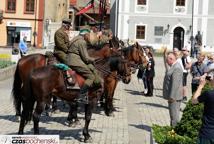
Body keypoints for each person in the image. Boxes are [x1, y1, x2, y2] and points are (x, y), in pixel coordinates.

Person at [67, 27, 101, 103]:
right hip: (75, 61)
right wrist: (94, 59)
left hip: (70, 59)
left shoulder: (75, 39)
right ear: (85, 35)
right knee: (91, 76)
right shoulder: (82, 42)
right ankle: (81, 96)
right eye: (88, 35)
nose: (88, 37)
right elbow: (85, 58)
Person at [192, 76, 214, 144]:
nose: (211, 78)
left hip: (207, 133)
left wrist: (200, 86)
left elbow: (194, 101)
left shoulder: (209, 94)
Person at [163, 52, 183, 127]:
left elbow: (175, 84)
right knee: (173, 116)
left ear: (171, 59)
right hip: (173, 97)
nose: (166, 61)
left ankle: (175, 132)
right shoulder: (173, 66)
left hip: (174, 97)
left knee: (174, 116)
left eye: (167, 59)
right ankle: (173, 130)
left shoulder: (176, 68)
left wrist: (172, 97)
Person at [53, 18, 73, 88]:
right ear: (66, 25)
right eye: (68, 26)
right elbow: (60, 45)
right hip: (60, 51)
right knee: (69, 60)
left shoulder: (64, 32)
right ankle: (68, 77)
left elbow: (67, 43)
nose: (69, 28)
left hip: (64, 50)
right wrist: (69, 51)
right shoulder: (59, 32)